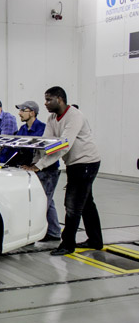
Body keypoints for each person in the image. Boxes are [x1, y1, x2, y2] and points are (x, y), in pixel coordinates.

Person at [23, 86, 103, 256]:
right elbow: (46, 143)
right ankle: (96, 240)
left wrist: (40, 165)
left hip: (86, 163)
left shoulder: (75, 116)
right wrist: (34, 161)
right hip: (74, 164)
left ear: (59, 99)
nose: (45, 103)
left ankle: (67, 244)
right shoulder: (52, 117)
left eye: (48, 99)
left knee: (72, 205)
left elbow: (62, 146)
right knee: (87, 203)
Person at [0, 101, 61, 242]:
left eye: (23, 110)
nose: (19, 113)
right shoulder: (23, 130)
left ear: (32, 112)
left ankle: (33, 235)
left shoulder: (43, 129)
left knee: (41, 203)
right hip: (33, 170)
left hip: (47, 171)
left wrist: (38, 166)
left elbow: (51, 152)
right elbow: (13, 146)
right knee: (47, 200)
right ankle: (54, 232)